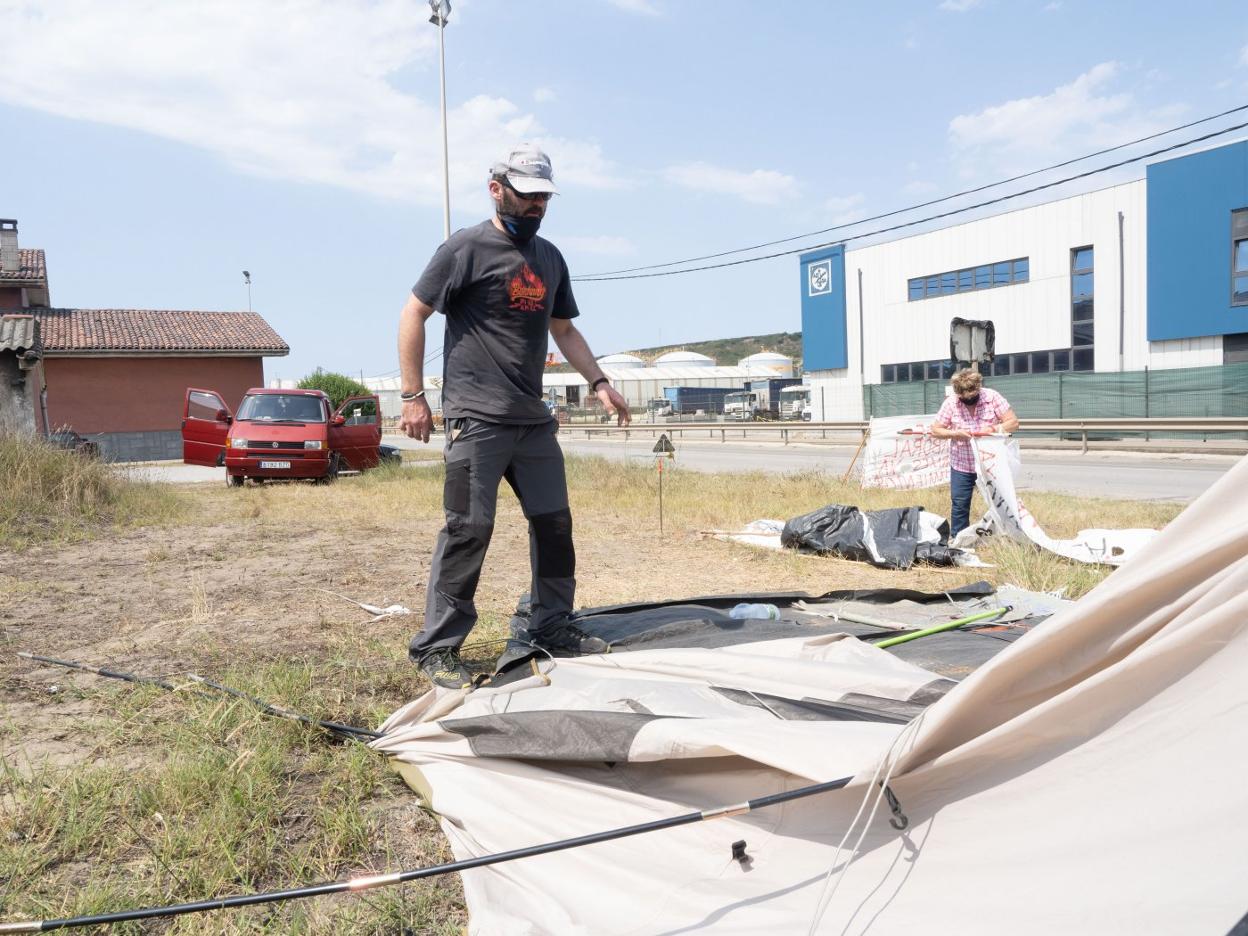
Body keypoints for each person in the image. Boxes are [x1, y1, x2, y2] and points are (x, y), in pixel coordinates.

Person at [397, 143, 631, 690]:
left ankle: (549, 625)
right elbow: (414, 312)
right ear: (496, 188)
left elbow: (564, 330)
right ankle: (437, 648)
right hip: (477, 419)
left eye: (544, 198)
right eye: (527, 197)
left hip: (532, 422)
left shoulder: (550, 258)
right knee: (468, 529)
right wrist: (413, 394)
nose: (536, 208)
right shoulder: (465, 249)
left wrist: (599, 382)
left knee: (554, 525)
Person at [929, 368, 1019, 537]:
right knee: (960, 503)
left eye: (973, 395)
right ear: (958, 393)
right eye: (965, 398)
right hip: (962, 464)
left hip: (991, 464)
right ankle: (959, 538)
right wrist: (954, 433)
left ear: (979, 387)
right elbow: (935, 430)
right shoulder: (951, 403)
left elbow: (1013, 422)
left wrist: (992, 429)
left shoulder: (992, 397)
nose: (969, 399)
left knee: (1001, 501)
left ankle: (1007, 535)